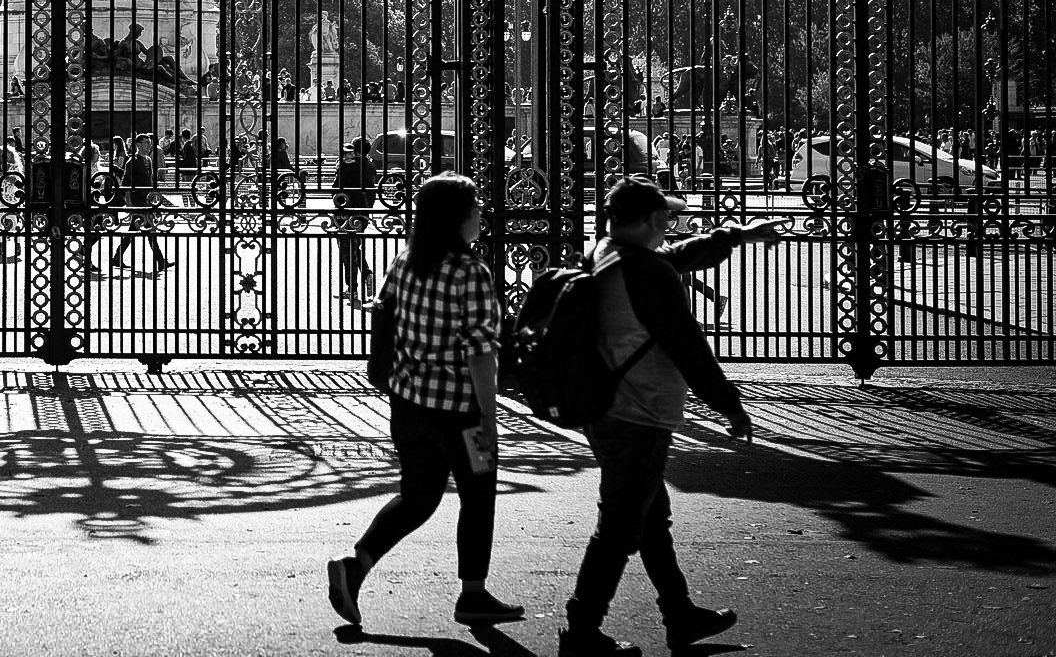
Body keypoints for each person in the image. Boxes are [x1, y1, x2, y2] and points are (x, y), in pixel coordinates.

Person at [558, 175, 787, 656]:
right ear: (647, 219)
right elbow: (688, 346)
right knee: (620, 525)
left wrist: (739, 235)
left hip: (606, 407)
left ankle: (679, 614)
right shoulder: (645, 271)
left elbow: (676, 256)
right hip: (639, 412)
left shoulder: (607, 253)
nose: (670, 222)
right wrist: (730, 405)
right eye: (664, 215)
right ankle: (581, 633)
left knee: (648, 516)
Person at [327, 173, 523, 630]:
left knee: (417, 497)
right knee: (479, 495)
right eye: (475, 207)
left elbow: (386, 318)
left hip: (409, 403)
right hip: (462, 412)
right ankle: (472, 594)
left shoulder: (405, 261)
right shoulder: (470, 271)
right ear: (457, 216)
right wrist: (490, 416)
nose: (480, 214)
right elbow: (480, 351)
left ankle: (356, 565)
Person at [108, 133, 170, 275]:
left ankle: (117, 257)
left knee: (135, 231)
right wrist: (130, 204)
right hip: (137, 201)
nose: (149, 146)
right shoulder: (132, 161)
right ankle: (161, 261)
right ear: (138, 145)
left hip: (146, 201)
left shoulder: (148, 159)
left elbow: (150, 181)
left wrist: (154, 198)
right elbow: (125, 184)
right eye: (146, 143)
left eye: (149, 143)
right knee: (149, 230)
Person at [331, 136, 378, 305]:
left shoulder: (347, 166)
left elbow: (336, 189)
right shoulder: (370, 166)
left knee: (347, 251)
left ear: (355, 151)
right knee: (354, 247)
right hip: (363, 212)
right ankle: (366, 274)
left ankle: (352, 288)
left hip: (345, 212)